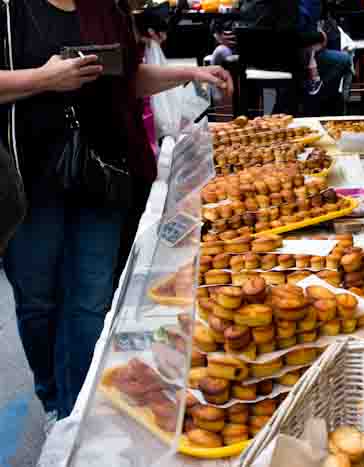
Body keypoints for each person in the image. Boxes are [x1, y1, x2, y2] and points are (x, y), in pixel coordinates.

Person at [0, 0, 233, 419]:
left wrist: (190, 72)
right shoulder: (11, 9)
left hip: (103, 172)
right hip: (30, 179)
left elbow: (128, 79)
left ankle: (75, 412)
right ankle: (53, 395)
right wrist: (44, 79)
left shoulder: (104, 8)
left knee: (90, 301)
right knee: (38, 303)